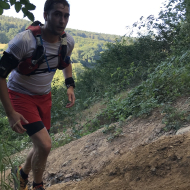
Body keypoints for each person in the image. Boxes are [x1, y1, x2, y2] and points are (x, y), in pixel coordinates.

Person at [0, 0, 75, 189]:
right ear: (45, 15)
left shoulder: (67, 42)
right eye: (57, 14)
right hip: (20, 95)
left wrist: (70, 85)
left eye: (66, 16)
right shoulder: (24, 41)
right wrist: (10, 114)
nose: (62, 20)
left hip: (44, 97)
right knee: (45, 144)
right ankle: (38, 185)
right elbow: (0, 74)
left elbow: (66, 62)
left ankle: (21, 174)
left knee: (41, 145)